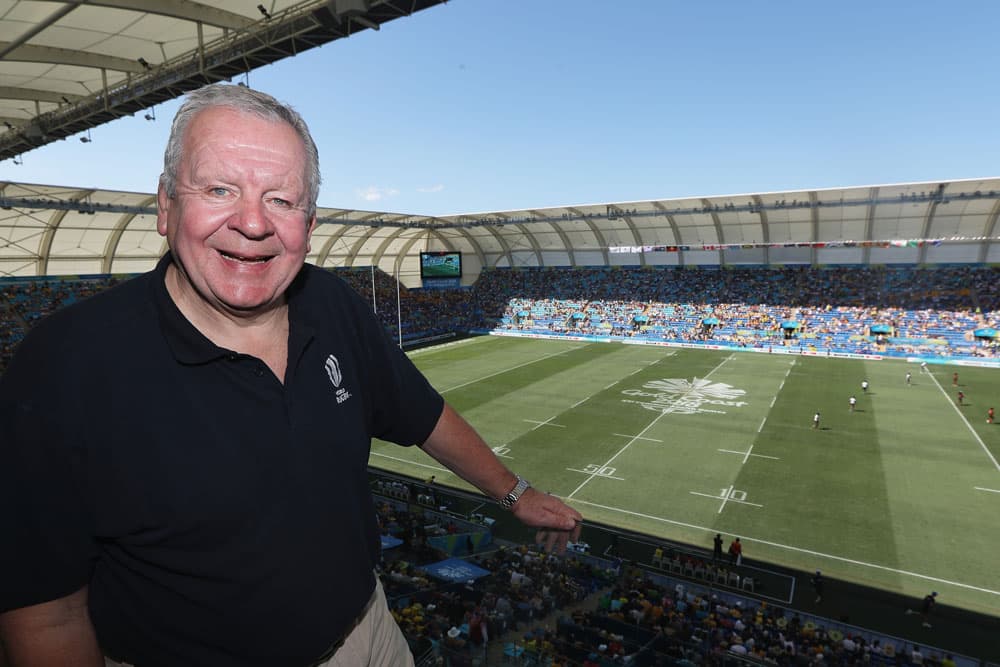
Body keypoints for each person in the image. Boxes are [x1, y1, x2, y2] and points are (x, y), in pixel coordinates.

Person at [0, 84, 583, 667]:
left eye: (281, 199)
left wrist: (515, 492)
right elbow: (46, 610)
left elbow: (422, 412)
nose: (253, 223)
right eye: (219, 188)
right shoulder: (67, 366)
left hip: (366, 636)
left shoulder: (332, 303)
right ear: (165, 205)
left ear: (309, 221)